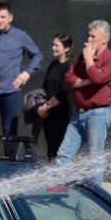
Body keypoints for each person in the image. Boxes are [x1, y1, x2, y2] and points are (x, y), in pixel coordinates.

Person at [0, 2, 43, 155]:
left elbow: (37, 56)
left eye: (3, 17)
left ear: (10, 18)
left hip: (11, 92)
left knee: (10, 134)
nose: (0, 20)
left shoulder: (21, 36)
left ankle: (8, 168)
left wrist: (27, 73)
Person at [56, 20, 111, 185]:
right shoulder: (82, 58)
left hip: (98, 113)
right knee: (64, 154)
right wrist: (85, 81)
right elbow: (69, 77)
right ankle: (56, 194)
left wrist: (89, 59)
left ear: (104, 39)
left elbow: (98, 78)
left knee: (94, 158)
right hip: (78, 113)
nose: (89, 39)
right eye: (88, 35)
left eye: (93, 36)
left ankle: (95, 202)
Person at [31, 33, 73, 161]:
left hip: (62, 116)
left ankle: (61, 179)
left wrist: (47, 107)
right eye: (53, 44)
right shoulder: (53, 64)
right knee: (51, 150)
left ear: (66, 48)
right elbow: (45, 87)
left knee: (59, 150)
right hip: (48, 115)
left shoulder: (70, 66)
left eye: (56, 45)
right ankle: (54, 180)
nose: (53, 48)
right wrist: (40, 106)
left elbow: (64, 93)